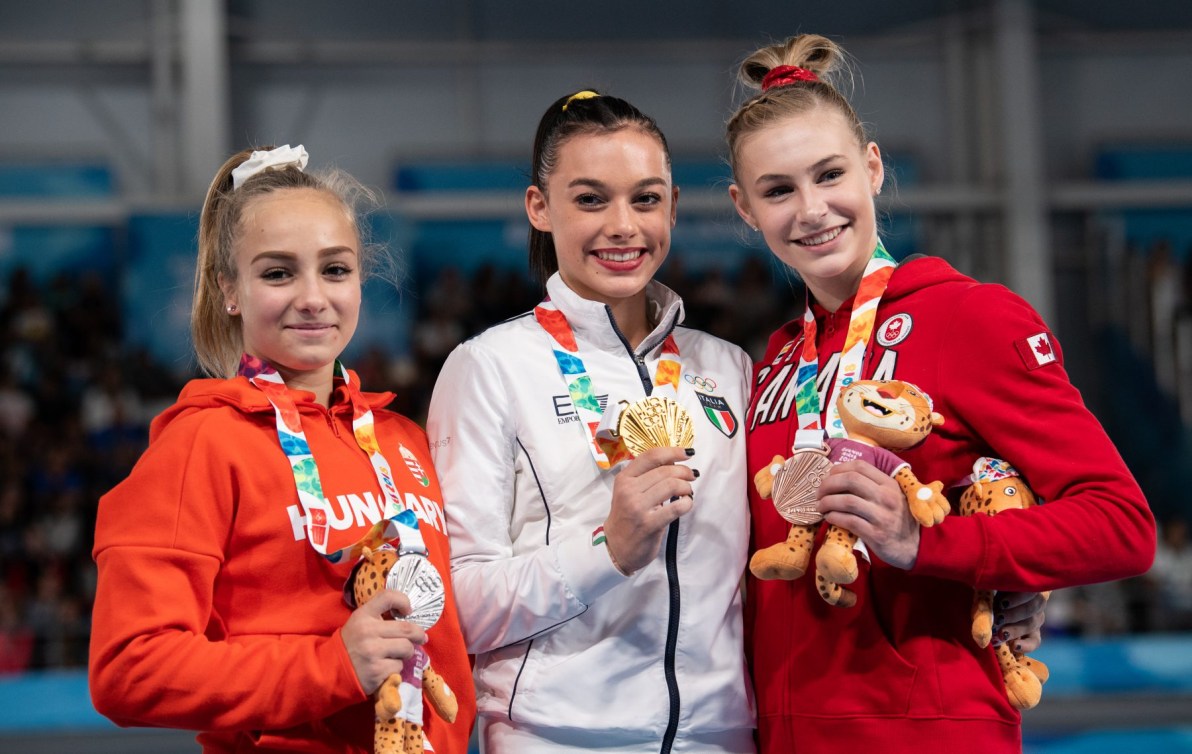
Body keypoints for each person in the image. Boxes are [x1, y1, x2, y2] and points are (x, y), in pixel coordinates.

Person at [725, 34, 1157, 752]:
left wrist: (927, 542)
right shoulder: (775, 364)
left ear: (872, 168)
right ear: (745, 208)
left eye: (829, 175)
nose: (811, 209)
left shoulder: (970, 317)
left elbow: (1120, 524)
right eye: (778, 190)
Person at [88, 145, 475, 753]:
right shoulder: (202, 442)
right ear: (229, 290)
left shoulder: (403, 439)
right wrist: (331, 668)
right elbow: (130, 667)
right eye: (278, 272)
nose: (314, 297)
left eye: (335, 269)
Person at [426, 91, 756, 753]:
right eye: (590, 199)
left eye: (645, 198)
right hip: (558, 736)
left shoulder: (729, 369)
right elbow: (457, 601)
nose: (623, 226)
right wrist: (606, 550)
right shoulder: (490, 367)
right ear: (539, 208)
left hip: (720, 736)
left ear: (672, 206)